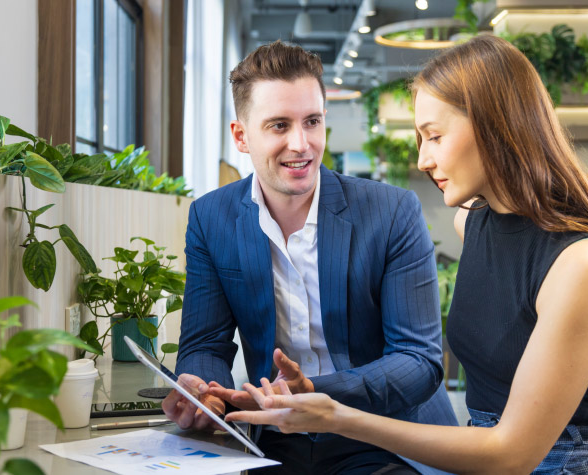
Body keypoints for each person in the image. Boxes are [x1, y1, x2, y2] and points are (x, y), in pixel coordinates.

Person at [225, 35, 588, 475]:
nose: (423, 159)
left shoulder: (586, 266)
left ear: (496, 127)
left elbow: (512, 454)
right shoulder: (474, 223)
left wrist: (338, 417)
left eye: (435, 136)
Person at [162, 40, 458, 475]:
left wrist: (315, 390)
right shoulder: (212, 217)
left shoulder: (392, 212)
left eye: (312, 122)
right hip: (275, 436)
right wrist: (202, 390)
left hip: (382, 434)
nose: (300, 144)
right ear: (241, 137)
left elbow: (419, 361)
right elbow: (205, 344)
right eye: (279, 125)